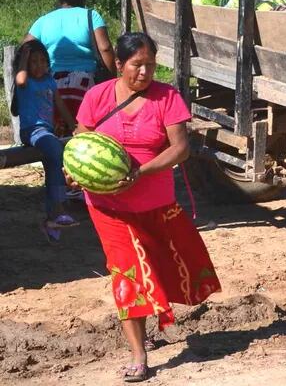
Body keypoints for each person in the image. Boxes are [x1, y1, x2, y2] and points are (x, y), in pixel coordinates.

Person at [66, 32, 221, 382]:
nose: (145, 72)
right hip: (107, 205)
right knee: (127, 272)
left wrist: (142, 171)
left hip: (156, 202)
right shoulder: (97, 96)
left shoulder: (167, 97)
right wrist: (73, 173)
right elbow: (80, 141)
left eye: (151, 64)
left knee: (160, 266)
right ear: (119, 65)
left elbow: (180, 148)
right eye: (137, 65)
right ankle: (139, 354)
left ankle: (150, 325)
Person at [24, 0, 116, 137]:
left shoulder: (44, 20)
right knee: (84, 131)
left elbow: (26, 47)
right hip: (84, 83)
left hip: (52, 82)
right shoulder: (91, 16)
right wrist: (111, 81)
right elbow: (105, 48)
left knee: (56, 131)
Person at [12, 40, 79, 243]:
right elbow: (21, 80)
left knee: (52, 164)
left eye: (42, 60)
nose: (39, 65)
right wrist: (23, 58)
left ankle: (53, 218)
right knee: (54, 150)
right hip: (31, 131)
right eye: (34, 62)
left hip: (46, 132)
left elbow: (60, 105)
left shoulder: (49, 80)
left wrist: (75, 127)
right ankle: (59, 207)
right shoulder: (25, 82)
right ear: (25, 64)